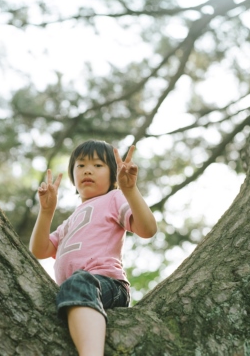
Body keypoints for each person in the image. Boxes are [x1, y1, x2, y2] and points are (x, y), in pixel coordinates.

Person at [29, 140, 157, 356]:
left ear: (112, 175)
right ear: (73, 175)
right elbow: (39, 250)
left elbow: (148, 229)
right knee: (72, 286)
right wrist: (46, 212)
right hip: (75, 290)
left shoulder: (113, 198)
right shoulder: (70, 221)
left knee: (78, 281)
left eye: (98, 165)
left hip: (107, 285)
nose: (88, 169)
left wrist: (130, 190)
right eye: (81, 165)